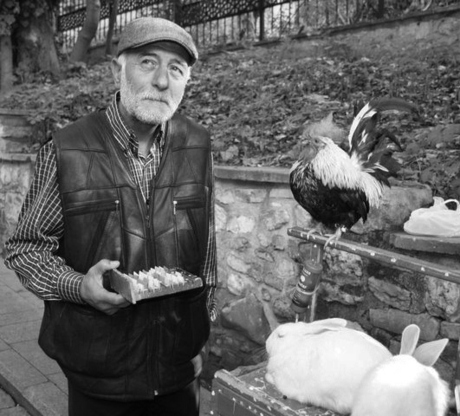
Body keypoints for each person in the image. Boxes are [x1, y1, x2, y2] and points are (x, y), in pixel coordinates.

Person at [4, 16, 217, 416]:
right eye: (148, 62)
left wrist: (203, 319)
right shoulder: (68, 149)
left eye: (176, 69)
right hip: (99, 375)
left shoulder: (198, 145)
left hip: (179, 372)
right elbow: (26, 248)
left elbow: (207, 248)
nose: (161, 82)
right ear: (118, 68)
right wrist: (77, 286)